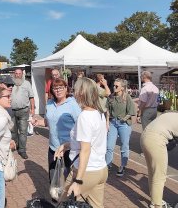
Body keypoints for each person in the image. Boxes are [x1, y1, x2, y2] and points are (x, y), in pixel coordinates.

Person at [55, 77, 108, 208]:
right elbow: (92, 141)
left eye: (76, 90)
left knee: (64, 203)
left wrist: (78, 180)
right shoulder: (99, 113)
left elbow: (86, 149)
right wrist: (67, 145)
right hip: (100, 169)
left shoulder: (85, 116)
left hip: (86, 172)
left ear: (81, 93)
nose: (73, 93)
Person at [32, 78, 81, 182]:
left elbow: (81, 126)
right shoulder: (50, 104)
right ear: (52, 90)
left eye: (61, 88)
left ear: (66, 89)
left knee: (67, 181)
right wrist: (38, 122)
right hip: (53, 148)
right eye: (55, 88)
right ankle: (55, 198)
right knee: (54, 179)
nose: (58, 90)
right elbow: (47, 122)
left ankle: (67, 198)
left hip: (68, 149)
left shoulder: (72, 104)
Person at [141, 113, 178, 208]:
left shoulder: (172, 115)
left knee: (152, 172)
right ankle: (157, 205)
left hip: (145, 137)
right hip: (156, 139)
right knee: (160, 175)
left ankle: (154, 201)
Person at [105, 78, 136, 176]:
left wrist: (124, 119)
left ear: (122, 88)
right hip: (113, 123)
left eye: (116, 86)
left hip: (124, 124)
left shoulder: (127, 97)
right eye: (113, 85)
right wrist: (107, 123)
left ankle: (123, 165)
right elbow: (107, 111)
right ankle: (108, 165)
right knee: (109, 146)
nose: (114, 87)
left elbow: (132, 111)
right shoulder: (111, 97)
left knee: (124, 146)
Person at [11, 68, 35, 159]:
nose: (17, 75)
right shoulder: (10, 83)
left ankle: (22, 150)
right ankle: (15, 145)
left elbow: (31, 97)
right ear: (14, 74)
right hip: (12, 111)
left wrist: (33, 108)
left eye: (19, 73)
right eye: (16, 73)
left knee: (23, 131)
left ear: (22, 74)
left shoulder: (27, 83)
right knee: (13, 131)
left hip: (24, 111)